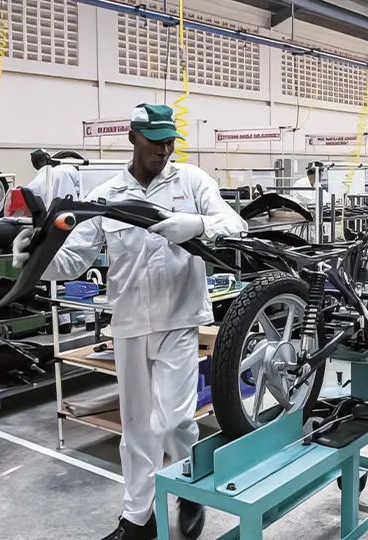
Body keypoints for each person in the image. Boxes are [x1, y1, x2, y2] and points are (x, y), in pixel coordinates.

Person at [13, 104, 247, 540]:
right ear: (132, 137)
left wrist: (196, 224)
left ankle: (189, 488)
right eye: (154, 138)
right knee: (137, 425)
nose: (164, 147)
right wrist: (34, 260)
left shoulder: (192, 181)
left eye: (170, 139)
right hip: (129, 322)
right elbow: (75, 259)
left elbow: (234, 224)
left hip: (179, 320)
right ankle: (137, 518)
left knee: (176, 421)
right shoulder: (108, 194)